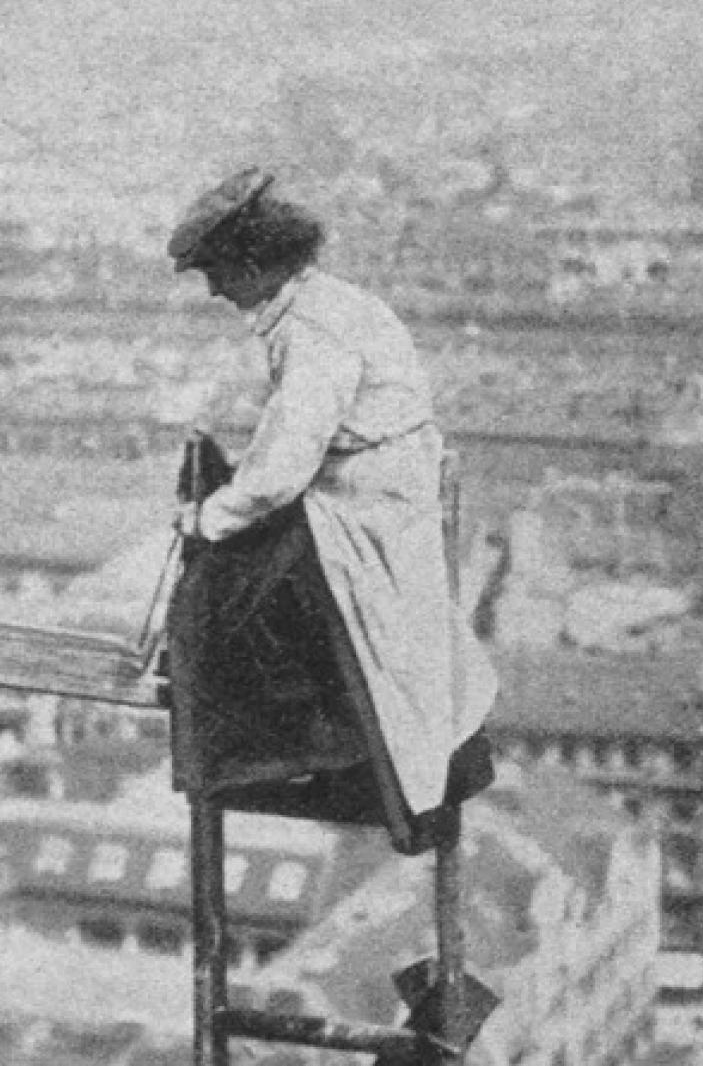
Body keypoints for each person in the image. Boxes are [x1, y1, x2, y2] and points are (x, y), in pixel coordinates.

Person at [163, 167, 496, 853]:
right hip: (376, 484)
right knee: (400, 657)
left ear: (255, 262)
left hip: (367, 499)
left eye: (219, 272)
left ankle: (296, 758)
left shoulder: (313, 331)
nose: (216, 290)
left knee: (242, 603)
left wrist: (210, 518)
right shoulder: (319, 306)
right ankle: (366, 762)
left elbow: (283, 465)